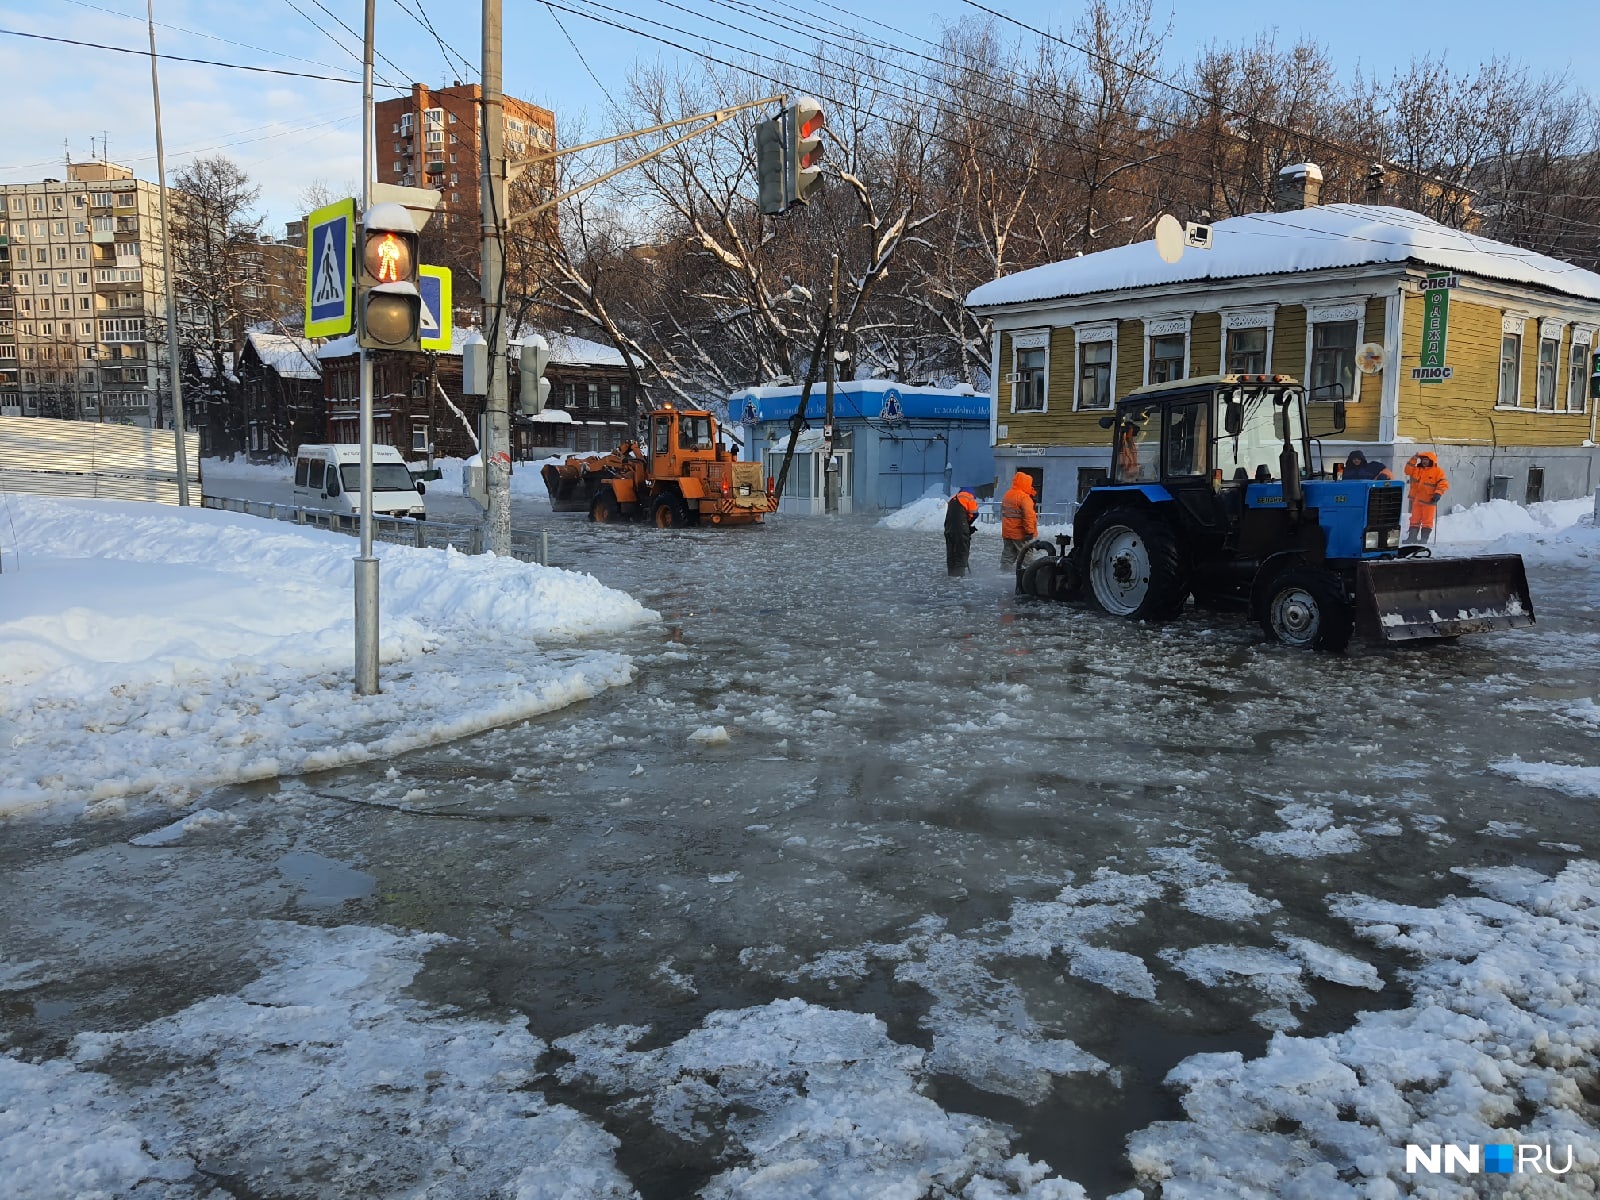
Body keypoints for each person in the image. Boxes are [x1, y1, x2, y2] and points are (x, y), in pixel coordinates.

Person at [1404, 452, 1450, 543]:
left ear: (1431, 461)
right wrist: (1414, 458)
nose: (1424, 462)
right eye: (1423, 459)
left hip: (1429, 501)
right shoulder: (1417, 469)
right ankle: (1411, 538)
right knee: (1414, 520)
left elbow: (1443, 484)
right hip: (1416, 500)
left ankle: (1424, 539)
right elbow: (1407, 470)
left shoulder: (1438, 471)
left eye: (1426, 460)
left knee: (1427, 521)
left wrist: (1438, 494)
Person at [999, 471, 1038, 569]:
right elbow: (1028, 516)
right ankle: (1030, 577)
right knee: (1026, 558)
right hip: (1021, 534)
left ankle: (1003, 574)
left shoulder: (1007, 495)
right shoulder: (1024, 497)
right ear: (1026, 483)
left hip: (1007, 532)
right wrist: (1030, 531)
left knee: (1007, 557)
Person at [944, 488, 979, 576]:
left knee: (951, 551)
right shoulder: (969, 497)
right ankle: (959, 574)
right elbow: (974, 514)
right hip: (960, 529)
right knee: (961, 550)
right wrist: (968, 524)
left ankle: (951, 572)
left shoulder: (953, 499)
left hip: (949, 528)